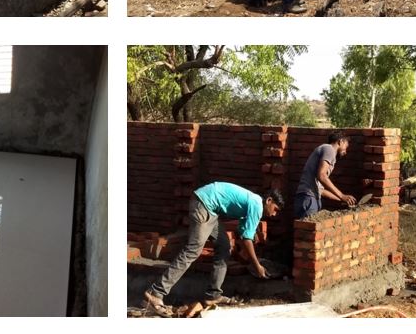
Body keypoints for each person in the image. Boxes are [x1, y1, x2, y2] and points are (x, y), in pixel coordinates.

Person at [143, 183, 283, 313]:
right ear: (269, 200)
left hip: (209, 208)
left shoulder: (253, 201)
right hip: (204, 204)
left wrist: (251, 238)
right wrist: (256, 264)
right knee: (193, 250)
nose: (274, 214)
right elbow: (246, 239)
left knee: (223, 246)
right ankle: (156, 292)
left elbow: (243, 231)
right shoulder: (257, 204)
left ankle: (213, 295)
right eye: (275, 209)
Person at [294, 132, 357, 219]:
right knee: (308, 231)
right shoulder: (329, 149)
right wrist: (342, 195)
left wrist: (341, 199)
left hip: (308, 199)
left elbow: (320, 190)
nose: (345, 152)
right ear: (340, 141)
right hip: (308, 199)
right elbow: (322, 176)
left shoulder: (325, 150)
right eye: (346, 147)